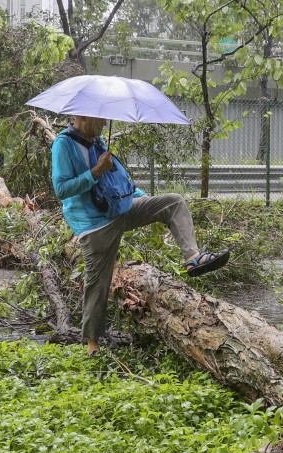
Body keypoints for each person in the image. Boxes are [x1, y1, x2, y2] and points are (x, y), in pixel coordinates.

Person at [51, 115, 228, 356]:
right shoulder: (64, 144)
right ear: (84, 117)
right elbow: (61, 189)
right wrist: (95, 171)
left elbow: (119, 181)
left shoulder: (98, 141)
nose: (103, 124)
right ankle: (92, 347)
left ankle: (193, 257)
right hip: (95, 224)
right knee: (97, 284)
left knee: (172, 203)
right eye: (100, 119)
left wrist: (141, 197)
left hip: (119, 208)